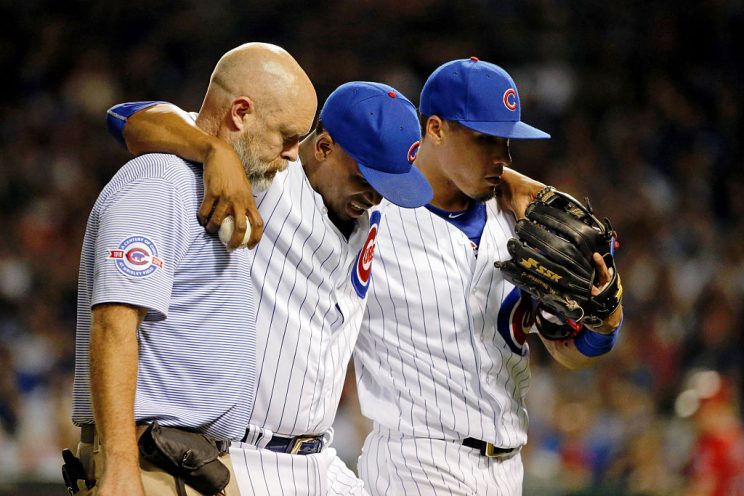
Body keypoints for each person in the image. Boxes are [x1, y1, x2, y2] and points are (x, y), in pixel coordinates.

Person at [107, 81, 432, 495]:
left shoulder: (368, 209)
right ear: (324, 147)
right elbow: (127, 118)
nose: (376, 196)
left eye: (388, 185)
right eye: (366, 177)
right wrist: (214, 151)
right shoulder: (270, 175)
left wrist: (515, 184)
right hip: (242, 455)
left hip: (320, 460)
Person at [353, 57, 624, 495]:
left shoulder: (521, 222)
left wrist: (604, 326)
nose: (500, 158)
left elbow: (566, 351)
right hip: (414, 463)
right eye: (484, 140)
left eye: (507, 144)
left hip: (506, 467)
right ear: (435, 129)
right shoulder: (373, 219)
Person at [70, 42, 317, 496]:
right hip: (150, 465)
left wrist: (214, 154)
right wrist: (122, 468)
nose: (293, 154)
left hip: (196, 466)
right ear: (240, 113)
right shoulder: (157, 182)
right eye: (287, 136)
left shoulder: (225, 186)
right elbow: (114, 325)